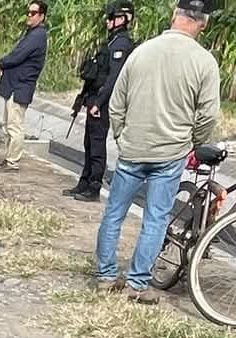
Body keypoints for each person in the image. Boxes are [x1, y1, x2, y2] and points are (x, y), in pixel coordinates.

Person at [94, 0, 220, 304]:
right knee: (156, 219)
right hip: (170, 152)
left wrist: (122, 136)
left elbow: (117, 102)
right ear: (202, 23)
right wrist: (194, 141)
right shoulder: (204, 62)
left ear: (174, 16)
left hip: (133, 148)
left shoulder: (141, 52)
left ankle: (105, 276)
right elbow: (208, 116)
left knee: (114, 213)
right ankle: (137, 285)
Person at [63, 1, 134, 202]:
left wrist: (99, 102)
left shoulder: (121, 44)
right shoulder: (111, 42)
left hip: (103, 102)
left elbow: (113, 78)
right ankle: (84, 182)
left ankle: (94, 186)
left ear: (122, 19)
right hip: (94, 97)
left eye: (111, 18)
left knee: (96, 145)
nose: (107, 21)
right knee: (89, 142)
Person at [0, 0, 49, 172]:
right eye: (28, 12)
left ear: (42, 16)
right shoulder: (31, 33)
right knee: (8, 125)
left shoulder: (37, 35)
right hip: (14, 85)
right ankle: (9, 156)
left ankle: (13, 161)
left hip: (20, 87)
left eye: (33, 13)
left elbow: (18, 55)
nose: (29, 16)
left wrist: (1, 63)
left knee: (15, 125)